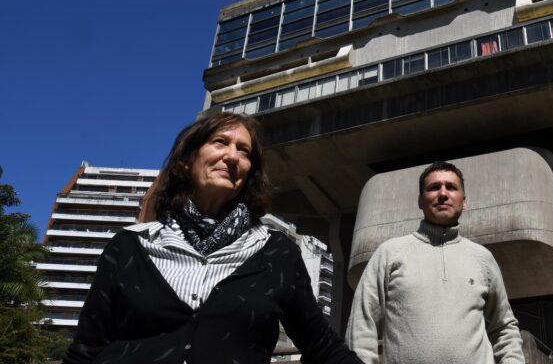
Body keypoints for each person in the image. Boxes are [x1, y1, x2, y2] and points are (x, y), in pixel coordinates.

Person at [65, 113, 361, 364]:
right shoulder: (130, 246)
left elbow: (322, 346)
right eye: (220, 142)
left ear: (249, 174)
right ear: (186, 162)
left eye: (244, 151)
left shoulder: (276, 253)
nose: (232, 156)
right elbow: (85, 351)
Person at [345, 161, 525, 364]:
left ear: (463, 201)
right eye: (433, 188)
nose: (443, 193)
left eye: (451, 187)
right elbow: (362, 325)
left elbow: (504, 328)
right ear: (420, 201)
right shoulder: (389, 253)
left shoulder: (483, 258)